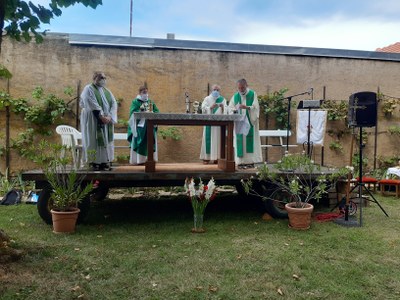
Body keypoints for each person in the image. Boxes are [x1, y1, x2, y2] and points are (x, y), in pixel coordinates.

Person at [80, 71, 118, 171]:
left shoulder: (107, 91)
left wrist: (109, 116)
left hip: (106, 120)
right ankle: (93, 162)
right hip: (93, 118)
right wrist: (100, 116)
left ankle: (105, 161)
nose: (103, 80)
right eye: (101, 77)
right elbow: (90, 101)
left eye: (104, 78)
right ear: (94, 78)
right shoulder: (88, 88)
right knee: (93, 139)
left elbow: (114, 103)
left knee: (106, 140)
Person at [228, 78, 262, 168]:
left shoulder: (252, 94)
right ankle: (240, 162)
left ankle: (250, 162)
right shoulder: (235, 96)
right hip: (239, 123)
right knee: (240, 141)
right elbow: (230, 108)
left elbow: (256, 108)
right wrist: (234, 110)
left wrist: (246, 107)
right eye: (239, 88)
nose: (241, 90)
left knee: (249, 141)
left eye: (242, 88)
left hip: (249, 122)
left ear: (246, 85)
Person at [127, 86, 160, 165]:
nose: (146, 94)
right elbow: (133, 113)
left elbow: (156, 111)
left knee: (150, 140)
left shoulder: (150, 102)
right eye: (144, 92)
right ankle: (139, 160)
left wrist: (153, 113)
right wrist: (142, 112)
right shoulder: (135, 102)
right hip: (139, 126)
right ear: (140, 93)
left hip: (150, 125)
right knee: (140, 141)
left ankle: (150, 159)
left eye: (146, 92)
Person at [199, 84, 227, 164]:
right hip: (209, 123)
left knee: (217, 141)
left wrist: (222, 107)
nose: (216, 91)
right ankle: (206, 158)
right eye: (215, 89)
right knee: (208, 139)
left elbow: (226, 111)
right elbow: (203, 109)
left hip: (218, 125)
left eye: (218, 90)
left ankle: (216, 158)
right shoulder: (207, 99)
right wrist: (210, 107)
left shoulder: (222, 99)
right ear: (212, 90)